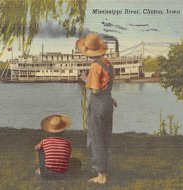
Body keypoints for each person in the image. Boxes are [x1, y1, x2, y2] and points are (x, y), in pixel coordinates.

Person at [76, 33, 114, 184]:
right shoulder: (109, 64)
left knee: (96, 137)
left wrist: (85, 79)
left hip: (98, 103)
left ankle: (101, 175)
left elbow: (96, 90)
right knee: (105, 137)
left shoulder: (94, 66)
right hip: (108, 102)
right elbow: (106, 87)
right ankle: (102, 169)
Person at [34, 114, 74, 180]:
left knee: (40, 150)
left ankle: (42, 171)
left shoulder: (45, 141)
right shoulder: (68, 143)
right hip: (63, 174)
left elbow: (36, 148)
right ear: (63, 131)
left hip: (47, 174)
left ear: (48, 131)